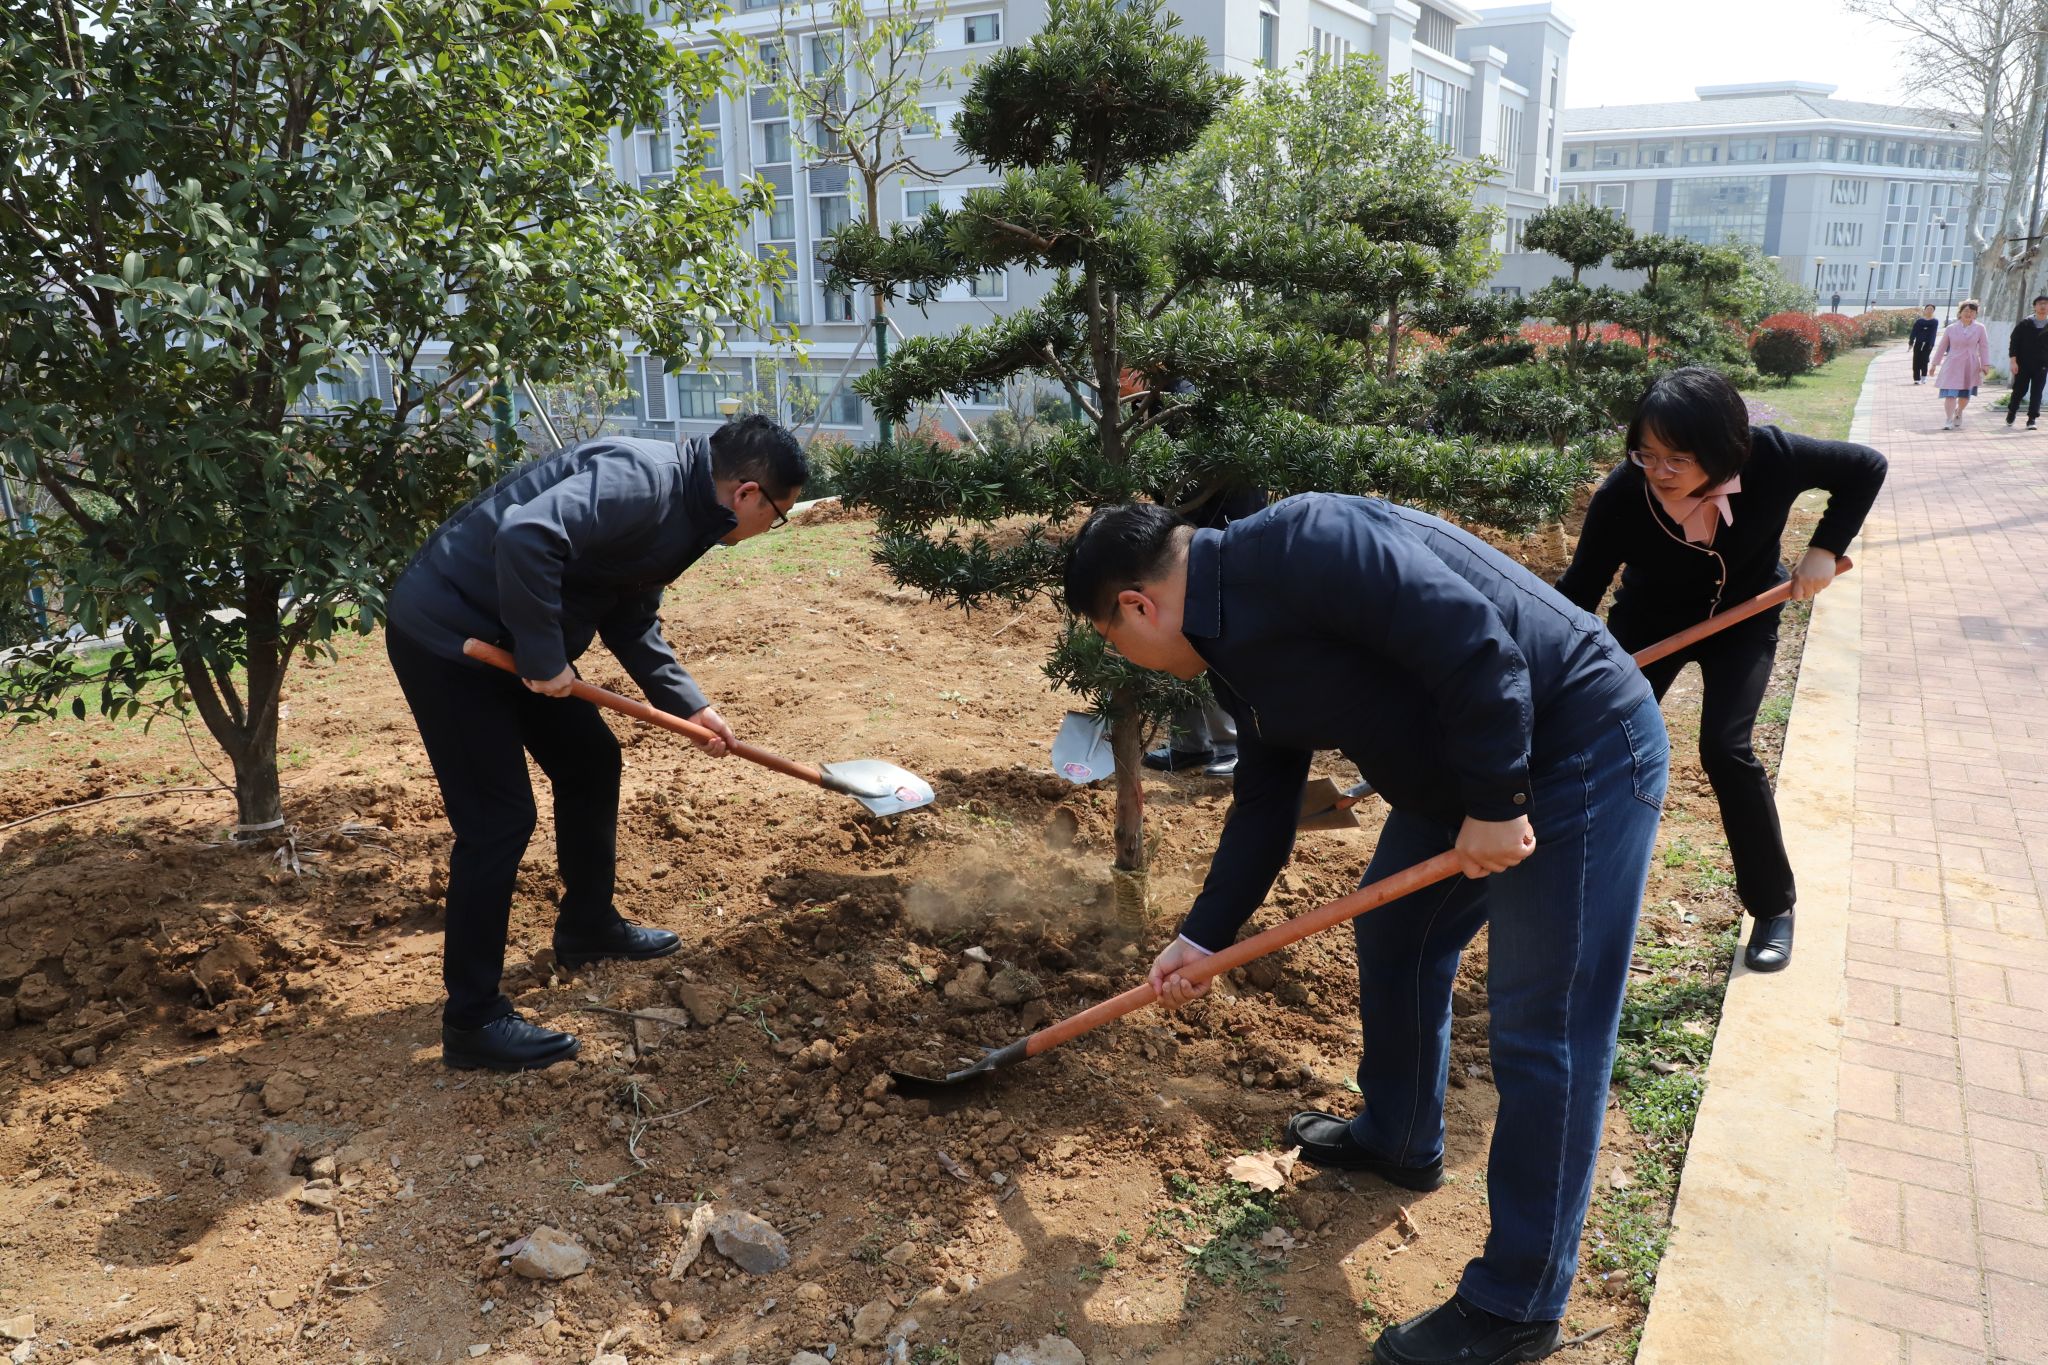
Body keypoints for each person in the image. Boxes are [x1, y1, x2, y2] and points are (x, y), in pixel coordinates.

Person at [1064, 497, 1668, 1365]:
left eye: (1113, 639)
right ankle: (1400, 1132)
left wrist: (1499, 800)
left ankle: (1519, 1302)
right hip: (1465, 768)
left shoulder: (1310, 544)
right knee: (1397, 933)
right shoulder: (1225, 645)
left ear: (1137, 604)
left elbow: (1477, 643)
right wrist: (1203, 935)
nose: (1126, 655)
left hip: (1575, 749)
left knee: (1546, 1030)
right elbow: (1266, 799)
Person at [386, 416, 808, 1071]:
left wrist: (693, 706)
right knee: (498, 820)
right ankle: (473, 1019)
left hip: (513, 637)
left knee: (590, 761)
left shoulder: (693, 512)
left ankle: (587, 928)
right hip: (450, 639)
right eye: (777, 516)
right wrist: (543, 656)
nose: (769, 528)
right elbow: (526, 533)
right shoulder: (641, 481)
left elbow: (631, 617)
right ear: (749, 493)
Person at [1557, 366, 1886, 973]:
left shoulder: (1773, 456)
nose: (1660, 472)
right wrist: (1542, 666)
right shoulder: (1623, 495)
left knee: (1726, 750)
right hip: (1650, 623)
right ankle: (1569, 892)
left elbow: (1865, 466)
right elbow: (1579, 590)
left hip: (1744, 620)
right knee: (1594, 741)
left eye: (1678, 459)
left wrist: (1824, 548)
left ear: (1725, 450)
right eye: (1647, 454)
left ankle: (1773, 906)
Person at [1141, 485, 1267, 778]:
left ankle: (1232, 744)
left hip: (1224, 534)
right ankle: (1190, 744)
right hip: (1184, 535)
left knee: (1217, 635)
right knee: (1179, 634)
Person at [1930, 298, 1992, 429]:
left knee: (1965, 394)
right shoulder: (1951, 328)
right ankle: (1948, 419)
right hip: (1952, 364)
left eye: (1972, 312)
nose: (1969, 314)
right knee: (1950, 393)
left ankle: (1959, 411)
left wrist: (1985, 364)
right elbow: (1942, 347)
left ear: (1976, 314)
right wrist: (1934, 364)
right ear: (1960, 312)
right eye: (1966, 311)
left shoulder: (1980, 328)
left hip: (1970, 364)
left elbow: (1984, 347)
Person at [2008, 294, 2048, 429]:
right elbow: (2014, 343)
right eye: (2040, 304)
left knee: (2037, 392)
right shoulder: (2025, 324)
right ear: (2035, 306)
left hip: (2042, 365)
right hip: (2023, 364)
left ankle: (2032, 419)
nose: (2043, 306)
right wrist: (2013, 362)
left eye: (2046, 304)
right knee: (2019, 390)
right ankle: (2012, 411)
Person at [1909, 304, 1938, 384]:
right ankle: (1916, 379)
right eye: (1928, 309)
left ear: (1933, 311)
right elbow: (1914, 331)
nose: (1929, 310)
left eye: (1931, 309)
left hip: (1928, 343)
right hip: (1918, 342)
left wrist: (1931, 344)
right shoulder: (1919, 321)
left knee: (1924, 360)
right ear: (1924, 310)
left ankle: (1924, 376)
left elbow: (1933, 333)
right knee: (1916, 360)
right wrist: (1911, 341)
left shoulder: (1934, 321)